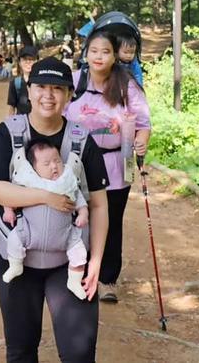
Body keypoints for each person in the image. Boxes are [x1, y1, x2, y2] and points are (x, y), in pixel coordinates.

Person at [0, 57, 109, 362]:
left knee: (79, 352)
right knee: (21, 350)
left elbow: (99, 203)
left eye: (58, 88)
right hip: (18, 261)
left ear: (69, 95)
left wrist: (96, 263)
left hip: (68, 262)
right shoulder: (7, 134)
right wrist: (46, 197)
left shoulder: (81, 140)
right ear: (29, 89)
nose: (48, 95)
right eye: (41, 86)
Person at [65, 29, 151, 304]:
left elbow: (143, 123)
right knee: (78, 218)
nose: (99, 56)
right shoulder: (75, 82)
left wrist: (141, 142)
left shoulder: (126, 85)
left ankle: (107, 279)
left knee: (112, 222)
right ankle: (78, 269)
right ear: (85, 54)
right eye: (94, 51)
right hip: (78, 165)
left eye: (106, 51)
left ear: (115, 56)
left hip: (117, 161)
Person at [1, 138, 89, 300]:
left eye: (57, 161)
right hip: (29, 231)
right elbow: (11, 197)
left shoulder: (68, 182)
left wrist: (83, 215)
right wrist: (8, 211)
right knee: (14, 239)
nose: (54, 166)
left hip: (65, 235)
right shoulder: (29, 182)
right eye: (46, 164)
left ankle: (74, 281)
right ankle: (15, 265)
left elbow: (80, 202)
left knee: (79, 253)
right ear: (34, 168)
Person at [6, 45, 39, 115]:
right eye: (24, 59)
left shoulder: (43, 83)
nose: (28, 62)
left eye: (31, 59)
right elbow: (12, 109)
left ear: (37, 61)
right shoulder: (15, 83)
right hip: (21, 123)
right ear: (20, 63)